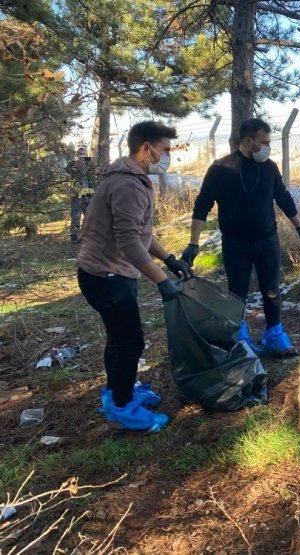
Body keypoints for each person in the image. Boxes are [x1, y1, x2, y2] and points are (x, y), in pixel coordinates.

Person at [76, 121, 192, 433]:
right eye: (165, 149)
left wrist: (169, 259)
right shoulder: (128, 185)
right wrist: (162, 280)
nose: (167, 156)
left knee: (119, 338)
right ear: (146, 148)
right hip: (106, 276)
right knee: (130, 343)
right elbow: (128, 242)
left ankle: (117, 391)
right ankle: (123, 408)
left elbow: (140, 234)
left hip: (110, 273)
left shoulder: (132, 178)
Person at [181, 118, 300, 358]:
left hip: (268, 240)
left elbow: (283, 197)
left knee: (272, 290)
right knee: (237, 294)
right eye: (264, 142)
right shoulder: (220, 169)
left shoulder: (269, 167)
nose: (268, 147)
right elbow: (202, 205)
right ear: (247, 141)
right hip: (236, 244)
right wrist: (193, 243)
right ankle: (241, 339)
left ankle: (275, 337)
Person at [66, 145, 97, 243]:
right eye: (80, 154)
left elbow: (95, 178)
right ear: (77, 154)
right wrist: (75, 163)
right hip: (77, 195)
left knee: (90, 217)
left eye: (84, 154)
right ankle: (74, 238)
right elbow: (68, 170)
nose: (82, 156)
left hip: (89, 195)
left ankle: (90, 237)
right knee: (76, 217)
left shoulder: (90, 164)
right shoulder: (73, 164)